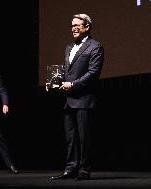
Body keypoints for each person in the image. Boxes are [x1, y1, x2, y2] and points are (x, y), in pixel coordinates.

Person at [49, 13, 104, 180]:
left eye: (77, 25)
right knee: (71, 138)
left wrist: (73, 84)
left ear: (87, 26)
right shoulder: (68, 48)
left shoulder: (95, 47)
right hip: (68, 100)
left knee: (84, 138)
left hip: (84, 99)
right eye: (72, 25)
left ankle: (84, 170)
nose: (73, 28)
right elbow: (67, 73)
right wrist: (53, 83)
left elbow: (93, 73)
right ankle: (70, 168)